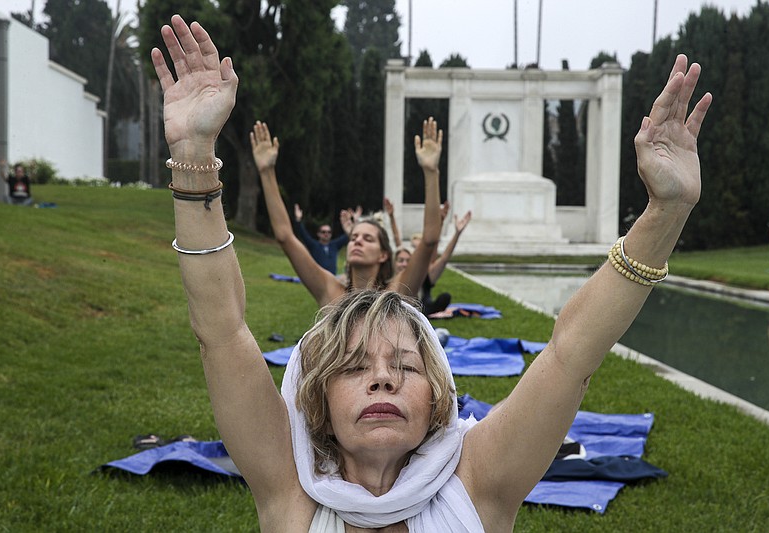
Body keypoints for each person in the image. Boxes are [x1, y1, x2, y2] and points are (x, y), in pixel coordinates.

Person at [151, 15, 710, 531]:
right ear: (315, 400)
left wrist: (666, 212)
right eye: (352, 368)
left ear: (438, 399)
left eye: (405, 366)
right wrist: (195, 150)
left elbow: (571, 353)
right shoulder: (291, 494)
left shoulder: (480, 485)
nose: (383, 380)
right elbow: (222, 332)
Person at [250, 115, 441, 308]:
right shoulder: (329, 291)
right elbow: (285, 237)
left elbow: (429, 240)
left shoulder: (396, 294)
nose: (357, 241)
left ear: (383, 255)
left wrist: (431, 171)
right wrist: (266, 172)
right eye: (354, 237)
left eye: (368, 239)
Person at [293, 203, 349, 275]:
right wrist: (298, 219)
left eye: (329, 232)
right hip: (318, 278)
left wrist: (355, 222)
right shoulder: (314, 245)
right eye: (323, 232)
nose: (326, 234)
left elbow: (348, 235)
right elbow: (303, 234)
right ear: (318, 234)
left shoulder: (335, 245)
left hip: (332, 277)